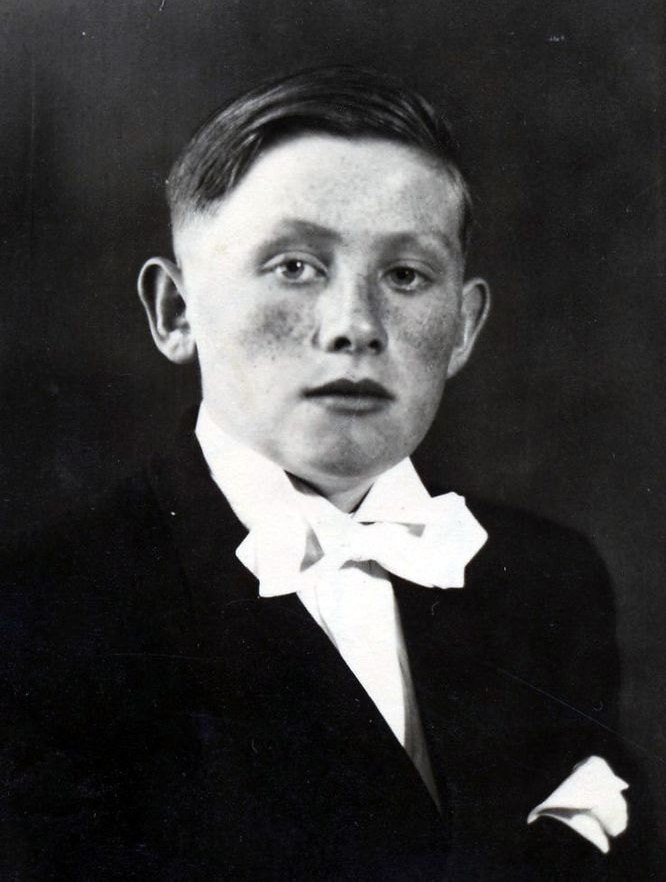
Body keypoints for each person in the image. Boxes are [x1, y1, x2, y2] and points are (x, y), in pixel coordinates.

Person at [0, 66, 654, 880]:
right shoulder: (40, 615)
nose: (354, 327)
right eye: (294, 266)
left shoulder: (549, 578)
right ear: (176, 311)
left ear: (463, 326)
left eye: (405, 275)